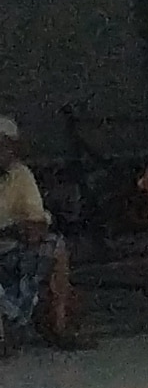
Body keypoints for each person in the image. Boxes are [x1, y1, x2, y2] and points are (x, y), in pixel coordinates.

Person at [0, 117, 84, 352]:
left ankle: (59, 326)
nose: (4, 152)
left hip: (14, 247)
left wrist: (31, 229)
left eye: (7, 146)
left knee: (56, 246)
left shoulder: (20, 174)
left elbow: (36, 217)